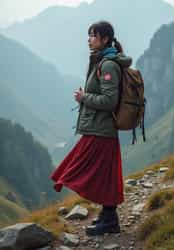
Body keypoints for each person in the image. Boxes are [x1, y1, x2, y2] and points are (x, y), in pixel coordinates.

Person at [50, 21, 132, 236]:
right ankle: (108, 219)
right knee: (106, 175)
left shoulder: (108, 65)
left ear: (105, 39)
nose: (89, 39)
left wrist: (84, 97)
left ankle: (109, 219)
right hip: (99, 129)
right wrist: (85, 99)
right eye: (89, 35)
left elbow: (109, 101)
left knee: (78, 169)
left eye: (93, 35)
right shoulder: (103, 61)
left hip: (101, 131)